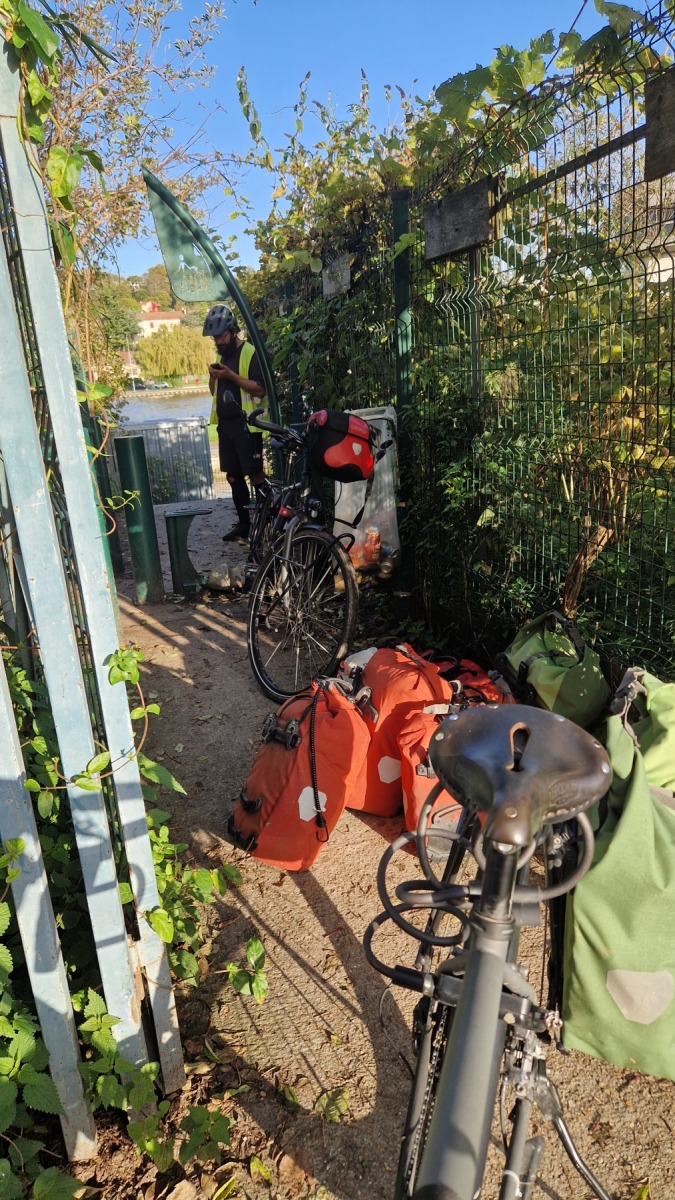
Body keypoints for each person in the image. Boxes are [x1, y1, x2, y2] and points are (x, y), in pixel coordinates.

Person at [203, 304, 269, 542]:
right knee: (233, 476)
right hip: (226, 426)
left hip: (247, 425)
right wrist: (213, 377)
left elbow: (259, 389)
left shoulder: (250, 352)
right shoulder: (221, 356)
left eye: (222, 336)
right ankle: (244, 525)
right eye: (215, 338)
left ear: (233, 331)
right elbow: (215, 392)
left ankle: (266, 523)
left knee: (255, 475)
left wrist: (231, 375)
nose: (218, 342)